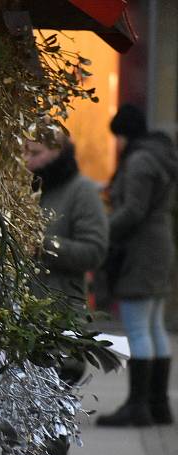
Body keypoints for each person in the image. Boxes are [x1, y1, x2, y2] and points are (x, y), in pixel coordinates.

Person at [24, 136, 109, 455]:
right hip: (21, 325)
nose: (28, 161)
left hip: (60, 327)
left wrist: (44, 245)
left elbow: (94, 250)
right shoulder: (23, 190)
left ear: (59, 153)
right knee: (19, 422)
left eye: (36, 153)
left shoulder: (80, 193)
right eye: (23, 152)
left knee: (51, 425)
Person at [97, 103, 178, 427]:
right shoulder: (159, 154)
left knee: (136, 327)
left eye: (116, 136)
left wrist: (100, 231)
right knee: (154, 325)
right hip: (159, 246)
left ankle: (137, 406)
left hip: (141, 251)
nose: (115, 144)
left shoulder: (140, 160)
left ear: (124, 133)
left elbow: (133, 210)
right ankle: (157, 405)